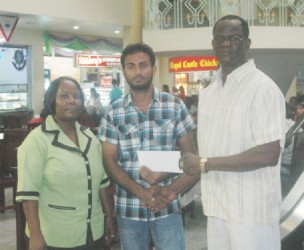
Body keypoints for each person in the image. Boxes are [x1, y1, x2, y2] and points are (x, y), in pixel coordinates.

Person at [179, 15, 286, 250]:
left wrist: (205, 163)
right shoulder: (208, 93)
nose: (226, 45)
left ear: (247, 43)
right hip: (217, 207)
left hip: (251, 213)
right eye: (220, 39)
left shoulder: (263, 90)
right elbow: (206, 153)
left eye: (234, 38)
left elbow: (268, 153)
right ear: (213, 45)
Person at [99, 43, 199, 250]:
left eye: (143, 65)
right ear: (124, 70)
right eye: (131, 66)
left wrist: (167, 190)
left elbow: (191, 158)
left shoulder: (174, 106)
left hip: (167, 206)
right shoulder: (113, 113)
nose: (138, 72)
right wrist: (141, 192)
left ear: (153, 69)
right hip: (129, 210)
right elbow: (109, 161)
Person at [16, 76, 116, 250]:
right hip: (55, 237)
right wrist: (35, 234)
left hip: (94, 233)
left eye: (77, 97)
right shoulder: (36, 141)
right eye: (64, 96)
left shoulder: (90, 137)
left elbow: (102, 183)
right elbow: (28, 194)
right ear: (51, 100)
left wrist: (109, 216)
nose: (72, 101)